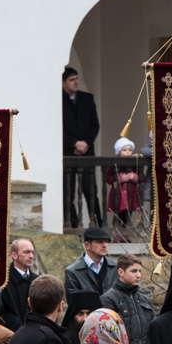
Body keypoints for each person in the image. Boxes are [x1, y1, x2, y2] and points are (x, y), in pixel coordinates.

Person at [62, 65, 101, 228]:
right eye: (72, 80)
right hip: (68, 152)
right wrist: (74, 143)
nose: (76, 82)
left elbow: (94, 125)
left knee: (90, 191)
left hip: (86, 152)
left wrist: (85, 143)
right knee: (68, 192)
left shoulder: (87, 99)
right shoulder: (59, 100)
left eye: (77, 78)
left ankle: (98, 225)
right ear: (63, 83)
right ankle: (72, 225)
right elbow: (57, 128)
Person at [100, 253, 156, 344]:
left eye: (140, 271)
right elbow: (109, 335)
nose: (138, 275)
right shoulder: (108, 299)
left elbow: (153, 331)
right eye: (134, 271)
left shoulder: (145, 299)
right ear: (120, 272)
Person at [64, 226, 117, 296]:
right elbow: (73, 300)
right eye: (100, 242)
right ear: (87, 245)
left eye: (106, 242)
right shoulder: (73, 272)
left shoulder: (116, 267)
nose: (104, 245)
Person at [106, 136, 143, 227]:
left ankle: (126, 232)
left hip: (131, 195)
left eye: (130, 150)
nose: (127, 152)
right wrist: (120, 178)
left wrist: (134, 177)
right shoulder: (114, 164)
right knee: (117, 216)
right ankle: (117, 232)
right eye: (124, 150)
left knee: (128, 215)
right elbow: (108, 178)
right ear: (119, 152)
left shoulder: (134, 163)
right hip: (118, 195)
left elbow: (143, 177)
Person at [3, 237, 38, 331]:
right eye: (27, 252)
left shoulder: (38, 281)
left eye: (32, 252)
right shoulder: (4, 281)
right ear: (14, 255)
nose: (31, 256)